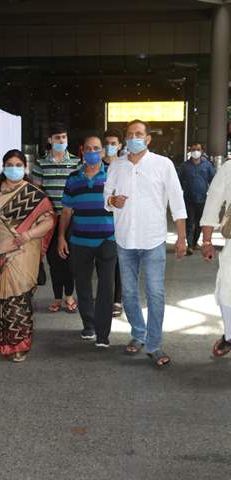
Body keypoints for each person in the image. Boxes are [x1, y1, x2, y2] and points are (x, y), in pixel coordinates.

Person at [104, 119, 187, 367]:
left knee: (155, 293)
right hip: (125, 239)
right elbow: (106, 196)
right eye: (130, 134)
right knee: (128, 293)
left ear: (148, 139)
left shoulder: (163, 164)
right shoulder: (116, 166)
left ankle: (153, 344)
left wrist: (182, 237)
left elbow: (177, 200)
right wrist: (111, 201)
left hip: (153, 240)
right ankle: (137, 333)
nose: (134, 138)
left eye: (139, 134)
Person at [0, 149, 55, 363]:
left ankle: (19, 345)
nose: (14, 168)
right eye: (10, 164)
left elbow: (48, 221)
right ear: (3, 166)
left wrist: (28, 234)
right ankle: (2, 339)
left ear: (24, 168)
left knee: (19, 299)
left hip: (23, 254)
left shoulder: (33, 193)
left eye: (19, 165)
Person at [58, 135, 117, 348]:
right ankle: (89, 326)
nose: (92, 152)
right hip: (80, 241)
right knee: (83, 286)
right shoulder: (73, 178)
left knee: (106, 287)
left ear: (103, 152)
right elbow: (66, 211)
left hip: (107, 240)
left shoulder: (112, 175)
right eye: (89, 148)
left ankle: (103, 334)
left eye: (97, 148)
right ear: (82, 151)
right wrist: (61, 237)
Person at [32, 123, 80, 313]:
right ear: (50, 140)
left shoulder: (76, 162)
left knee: (69, 260)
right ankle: (57, 298)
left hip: (71, 220)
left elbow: (79, 190)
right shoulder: (40, 163)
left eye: (64, 137)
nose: (61, 141)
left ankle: (69, 296)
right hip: (49, 221)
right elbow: (37, 193)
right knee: (53, 260)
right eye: (58, 137)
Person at [200, 160, 231, 357]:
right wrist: (206, 241)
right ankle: (230, 336)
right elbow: (213, 203)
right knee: (227, 291)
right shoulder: (229, 168)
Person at [179, 142, 215, 255]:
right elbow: (179, 180)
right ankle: (189, 245)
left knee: (200, 223)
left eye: (198, 149)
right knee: (189, 223)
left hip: (203, 199)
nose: (196, 151)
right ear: (190, 151)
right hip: (188, 199)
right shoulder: (185, 166)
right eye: (194, 149)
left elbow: (213, 181)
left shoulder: (207, 165)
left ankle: (194, 243)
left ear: (202, 151)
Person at [103, 128, 123, 317]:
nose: (110, 147)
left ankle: (117, 299)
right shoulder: (96, 165)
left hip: (119, 221)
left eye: (113, 143)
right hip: (99, 221)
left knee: (118, 262)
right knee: (102, 263)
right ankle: (104, 297)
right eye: (107, 143)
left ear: (120, 146)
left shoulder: (124, 166)